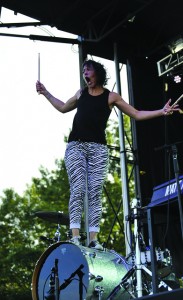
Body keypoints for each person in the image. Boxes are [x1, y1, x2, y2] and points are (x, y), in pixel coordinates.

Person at [36, 59, 178, 250]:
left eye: (88, 70)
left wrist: (161, 111)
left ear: (97, 73)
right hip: (76, 146)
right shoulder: (81, 93)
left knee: (94, 192)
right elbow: (62, 107)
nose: (85, 73)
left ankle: (94, 238)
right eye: (83, 70)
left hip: (98, 149)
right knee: (78, 188)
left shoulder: (111, 97)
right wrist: (46, 92)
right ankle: (76, 235)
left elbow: (136, 114)